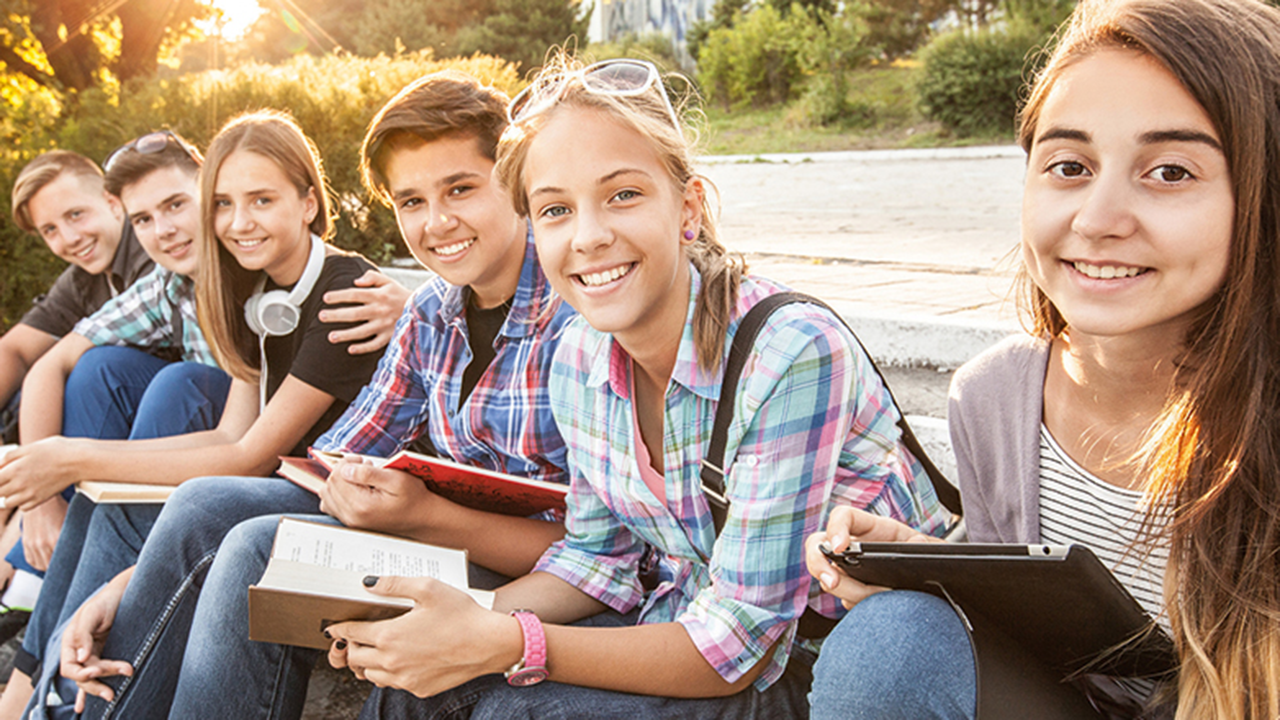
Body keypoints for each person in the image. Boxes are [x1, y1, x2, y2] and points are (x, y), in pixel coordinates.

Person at [308, 56, 948, 719]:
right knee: (415, 685)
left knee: (515, 711)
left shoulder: (789, 353)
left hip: (818, 664)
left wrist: (504, 639)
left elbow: (738, 647)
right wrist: (451, 623)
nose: (589, 237)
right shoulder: (579, 357)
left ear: (688, 208)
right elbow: (598, 560)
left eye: (623, 195)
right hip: (680, 622)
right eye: (555, 209)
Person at [804, 1, 1280, 718]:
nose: (1097, 218)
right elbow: (1029, 648)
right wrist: (940, 572)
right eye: (1069, 165)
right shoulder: (995, 398)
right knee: (894, 641)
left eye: (1172, 172)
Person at [57, 70, 576, 720]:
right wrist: (138, 586)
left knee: (251, 548)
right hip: (432, 534)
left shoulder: (573, 313)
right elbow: (332, 457)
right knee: (204, 504)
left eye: (461, 189)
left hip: (538, 578)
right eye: (411, 201)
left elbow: (604, 547)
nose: (436, 221)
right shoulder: (429, 314)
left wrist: (423, 518)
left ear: (515, 179)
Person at [0, 110, 388, 719]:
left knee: (195, 500)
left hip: (349, 502)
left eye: (261, 199)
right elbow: (230, 432)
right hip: (280, 483)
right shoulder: (252, 291)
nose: (238, 223)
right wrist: (75, 472)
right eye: (225, 204)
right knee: (108, 497)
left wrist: (72, 456)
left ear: (309, 201)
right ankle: (47, 692)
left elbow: (246, 454)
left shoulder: (344, 292)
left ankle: (66, 707)